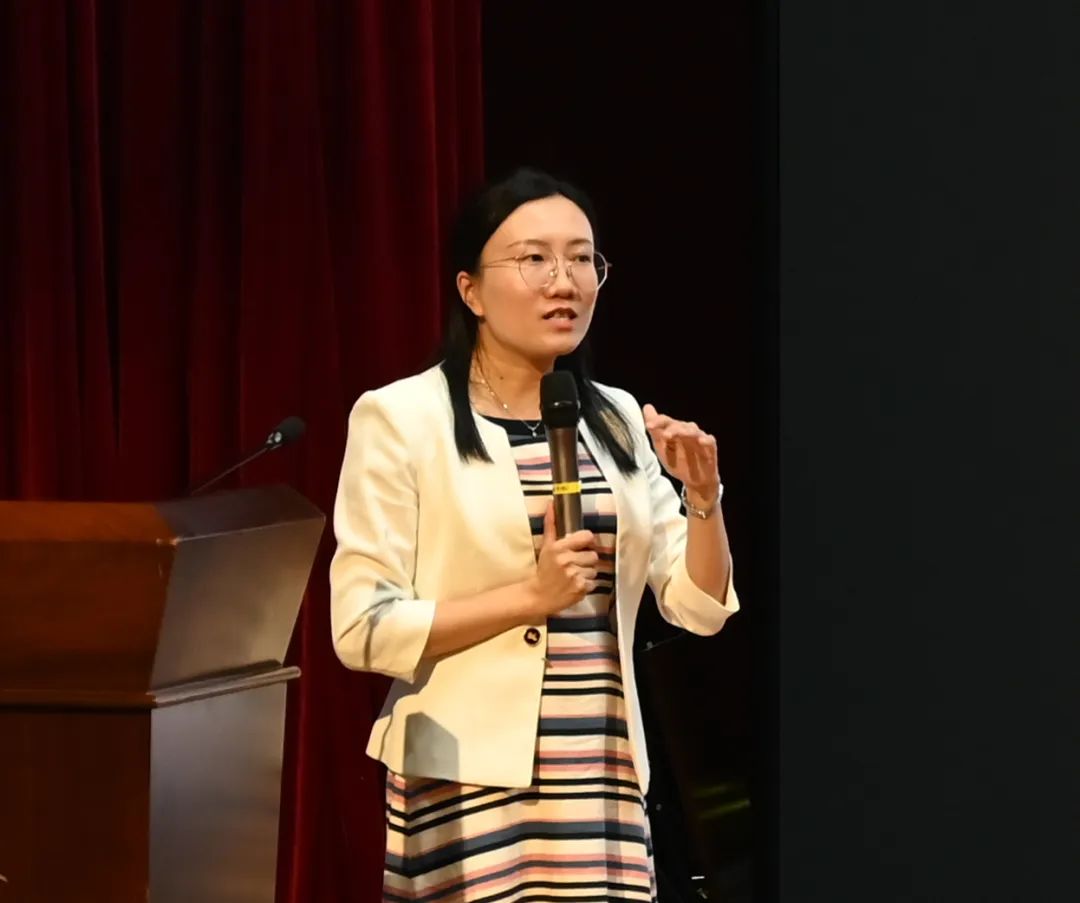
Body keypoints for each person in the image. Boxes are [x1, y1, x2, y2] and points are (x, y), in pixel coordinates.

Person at [329, 166, 739, 902]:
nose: (564, 282)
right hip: (466, 782)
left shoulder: (616, 417)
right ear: (471, 291)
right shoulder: (402, 418)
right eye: (535, 259)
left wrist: (703, 499)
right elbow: (363, 628)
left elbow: (697, 606)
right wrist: (530, 597)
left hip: (600, 774)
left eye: (582, 259)